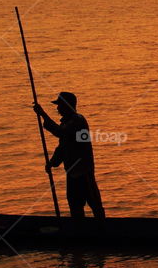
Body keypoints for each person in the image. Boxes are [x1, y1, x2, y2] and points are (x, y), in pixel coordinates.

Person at [33, 92, 106, 221]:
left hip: (83, 172)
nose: (57, 108)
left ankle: (103, 230)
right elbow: (63, 147)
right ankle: (80, 232)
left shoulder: (78, 121)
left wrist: (43, 115)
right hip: (72, 172)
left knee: (94, 203)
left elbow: (61, 133)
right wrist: (53, 163)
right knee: (75, 205)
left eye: (60, 105)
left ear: (67, 106)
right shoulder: (67, 122)